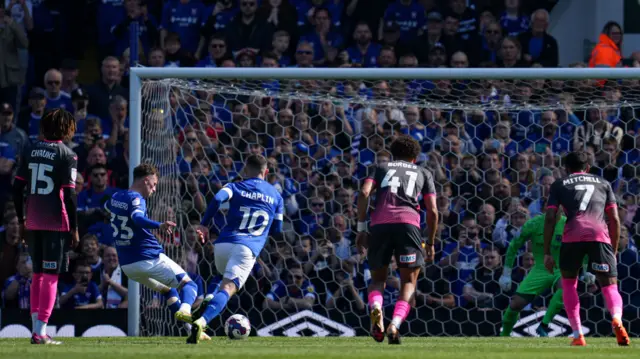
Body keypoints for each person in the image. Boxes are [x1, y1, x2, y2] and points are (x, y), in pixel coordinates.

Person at [189, 154, 284, 344]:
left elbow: (217, 199)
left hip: (222, 244)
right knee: (228, 287)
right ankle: (202, 321)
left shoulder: (235, 186)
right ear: (265, 172)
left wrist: (204, 224)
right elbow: (278, 229)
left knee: (220, 275)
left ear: (245, 170)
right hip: (246, 248)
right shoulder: (276, 195)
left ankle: (208, 297)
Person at [355, 134, 439, 344]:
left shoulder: (382, 168)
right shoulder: (423, 172)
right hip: (409, 226)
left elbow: (364, 193)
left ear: (393, 154)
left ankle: (376, 310)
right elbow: (434, 211)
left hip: (380, 225)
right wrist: (430, 242)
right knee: (409, 282)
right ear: (415, 156)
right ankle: (395, 325)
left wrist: (361, 228)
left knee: (377, 280)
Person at [543, 151, 630, 346]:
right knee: (609, 286)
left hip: (572, 235)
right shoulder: (603, 183)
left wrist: (547, 252)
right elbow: (615, 220)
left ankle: (577, 334)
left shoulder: (559, 184)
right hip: (599, 235)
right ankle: (617, 318)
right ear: (588, 168)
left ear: (566, 168)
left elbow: (550, 217)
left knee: (568, 284)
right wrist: (612, 251)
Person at [103, 164, 201, 328]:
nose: (154, 189)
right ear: (146, 180)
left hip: (128, 266)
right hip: (148, 258)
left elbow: (106, 208)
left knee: (169, 290)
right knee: (190, 285)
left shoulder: (115, 197)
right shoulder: (136, 199)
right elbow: (137, 218)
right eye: (154, 184)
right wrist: (159, 225)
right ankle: (185, 310)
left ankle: (191, 329)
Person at [12, 109, 78, 345]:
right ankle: (41, 332)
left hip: (32, 221)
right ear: (66, 129)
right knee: (50, 276)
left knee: (37, 275)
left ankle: (36, 330)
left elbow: (16, 188)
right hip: (54, 223)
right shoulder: (67, 154)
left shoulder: (29, 150)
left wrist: (21, 219)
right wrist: (75, 228)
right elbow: (70, 196)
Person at [499, 211, 594, 337]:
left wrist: (586, 270)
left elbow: (584, 249)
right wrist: (506, 274)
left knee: (566, 287)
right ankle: (504, 335)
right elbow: (513, 246)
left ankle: (543, 325)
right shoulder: (533, 224)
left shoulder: (571, 225)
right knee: (516, 304)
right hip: (540, 268)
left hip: (562, 267)